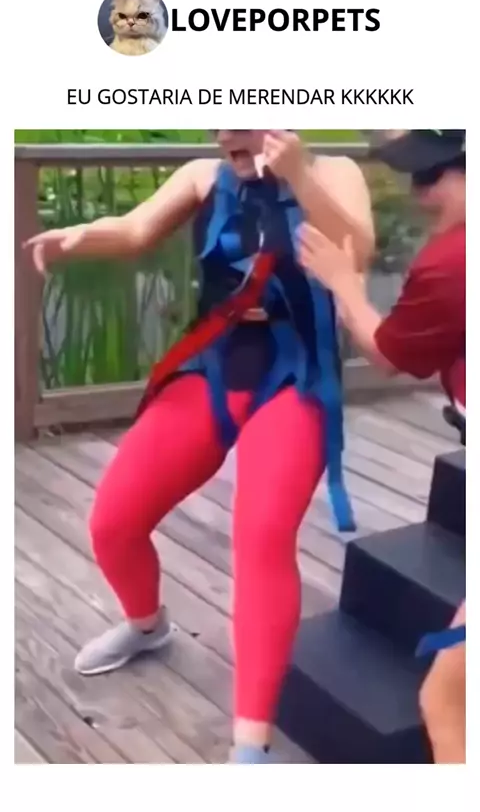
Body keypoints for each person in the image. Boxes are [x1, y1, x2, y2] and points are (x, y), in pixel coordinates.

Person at [26, 130, 375, 764]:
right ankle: (146, 626)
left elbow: (358, 252)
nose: (224, 135)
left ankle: (251, 749)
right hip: (215, 366)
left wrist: (300, 177)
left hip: (295, 374)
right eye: (220, 123)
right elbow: (134, 230)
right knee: (113, 521)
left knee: (262, 537)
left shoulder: (336, 171)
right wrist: (79, 236)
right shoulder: (202, 175)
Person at [298, 128, 466, 764]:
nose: (419, 195)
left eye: (431, 176)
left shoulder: (453, 263)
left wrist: (343, 283)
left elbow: (391, 354)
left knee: (447, 700)